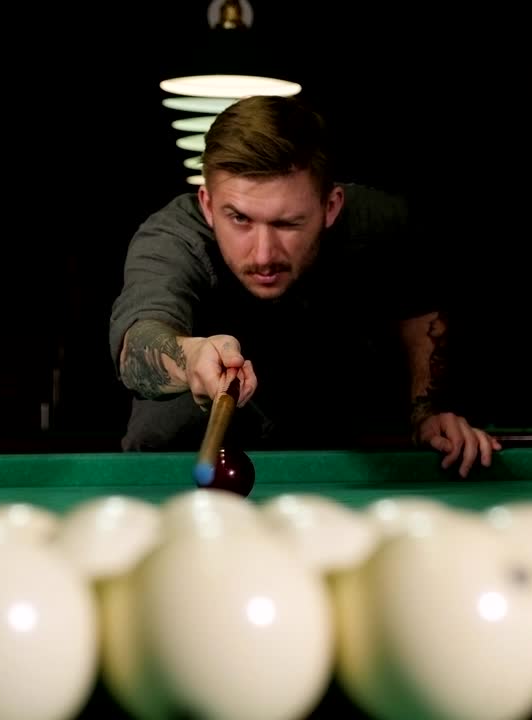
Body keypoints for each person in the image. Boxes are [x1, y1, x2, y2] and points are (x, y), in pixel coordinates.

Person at [108, 94, 499, 476]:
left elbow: (419, 311)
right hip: (171, 469)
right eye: (240, 219)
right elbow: (136, 349)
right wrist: (191, 358)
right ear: (208, 205)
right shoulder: (172, 239)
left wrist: (426, 414)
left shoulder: (382, 226)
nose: (263, 254)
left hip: (337, 471)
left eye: (288, 223)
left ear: (331, 206)